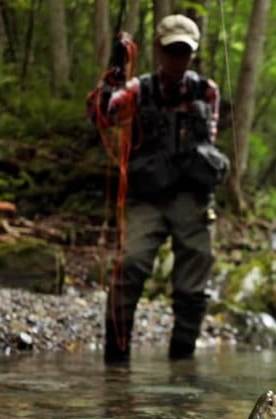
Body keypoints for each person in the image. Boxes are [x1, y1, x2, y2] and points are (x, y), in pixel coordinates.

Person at [88, 14, 227, 365]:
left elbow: (207, 138)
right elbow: (103, 116)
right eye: (171, 51)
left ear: (193, 54)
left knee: (193, 280)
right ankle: (116, 366)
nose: (177, 59)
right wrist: (111, 80)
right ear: (158, 50)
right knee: (131, 264)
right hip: (147, 196)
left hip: (191, 196)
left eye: (184, 52)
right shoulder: (139, 89)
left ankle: (183, 367)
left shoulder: (206, 90)